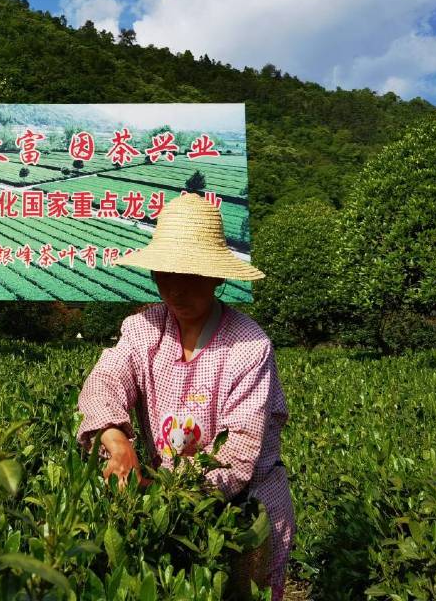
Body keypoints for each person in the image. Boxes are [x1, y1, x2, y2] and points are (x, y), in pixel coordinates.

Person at [76, 193, 294, 600]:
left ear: (217, 277)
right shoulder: (144, 329)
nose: (175, 289)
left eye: (191, 275)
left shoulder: (249, 345)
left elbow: (239, 452)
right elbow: (104, 380)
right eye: (166, 274)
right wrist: (116, 438)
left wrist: (159, 494)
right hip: (166, 506)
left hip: (243, 513)